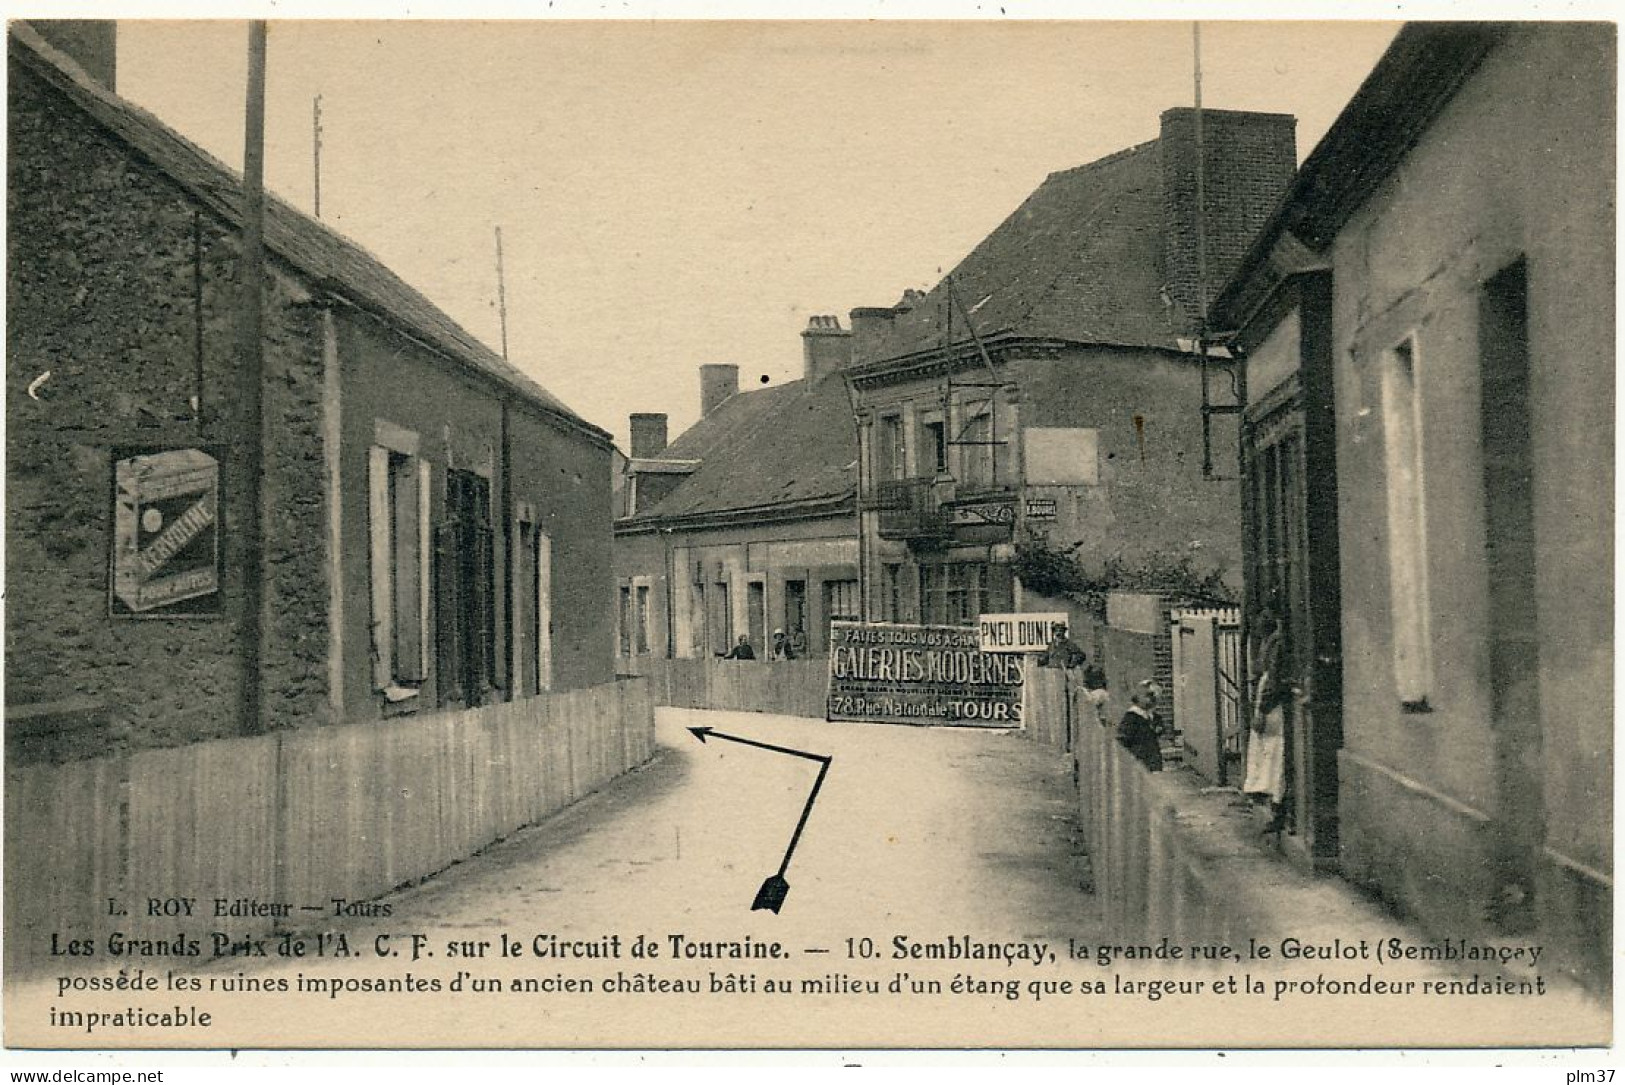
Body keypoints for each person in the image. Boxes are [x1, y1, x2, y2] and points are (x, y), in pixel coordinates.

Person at [1117, 691, 1163, 772]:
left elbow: (1158, 729)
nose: (1150, 701)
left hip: (1152, 755)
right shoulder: (1131, 717)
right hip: (1139, 755)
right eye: (1147, 697)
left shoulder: (1152, 715)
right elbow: (1125, 737)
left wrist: (1158, 729)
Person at [1081, 662, 1110, 727]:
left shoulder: (1087, 674)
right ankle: (1102, 717)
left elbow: (1086, 685)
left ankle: (1102, 717)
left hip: (1096, 691)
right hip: (1100, 691)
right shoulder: (1097, 672)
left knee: (1099, 705)